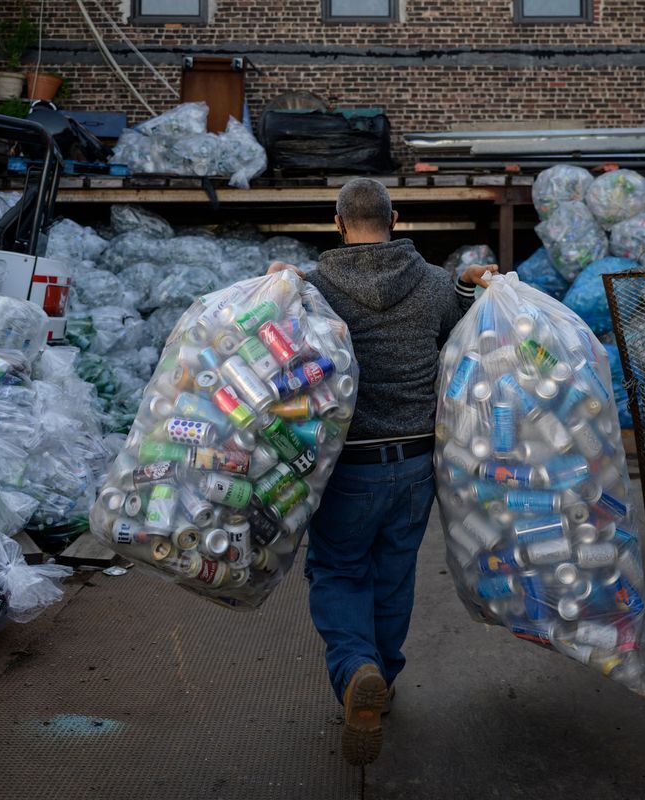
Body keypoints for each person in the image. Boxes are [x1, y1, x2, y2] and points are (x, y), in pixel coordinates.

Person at [268, 178, 496, 766]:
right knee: (393, 574)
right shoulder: (430, 286)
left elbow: (274, 352)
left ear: (338, 223)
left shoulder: (313, 293)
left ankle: (356, 671)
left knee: (341, 571)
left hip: (348, 467)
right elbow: (471, 335)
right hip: (416, 463)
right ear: (395, 218)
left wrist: (276, 281)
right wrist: (475, 284)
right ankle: (383, 682)